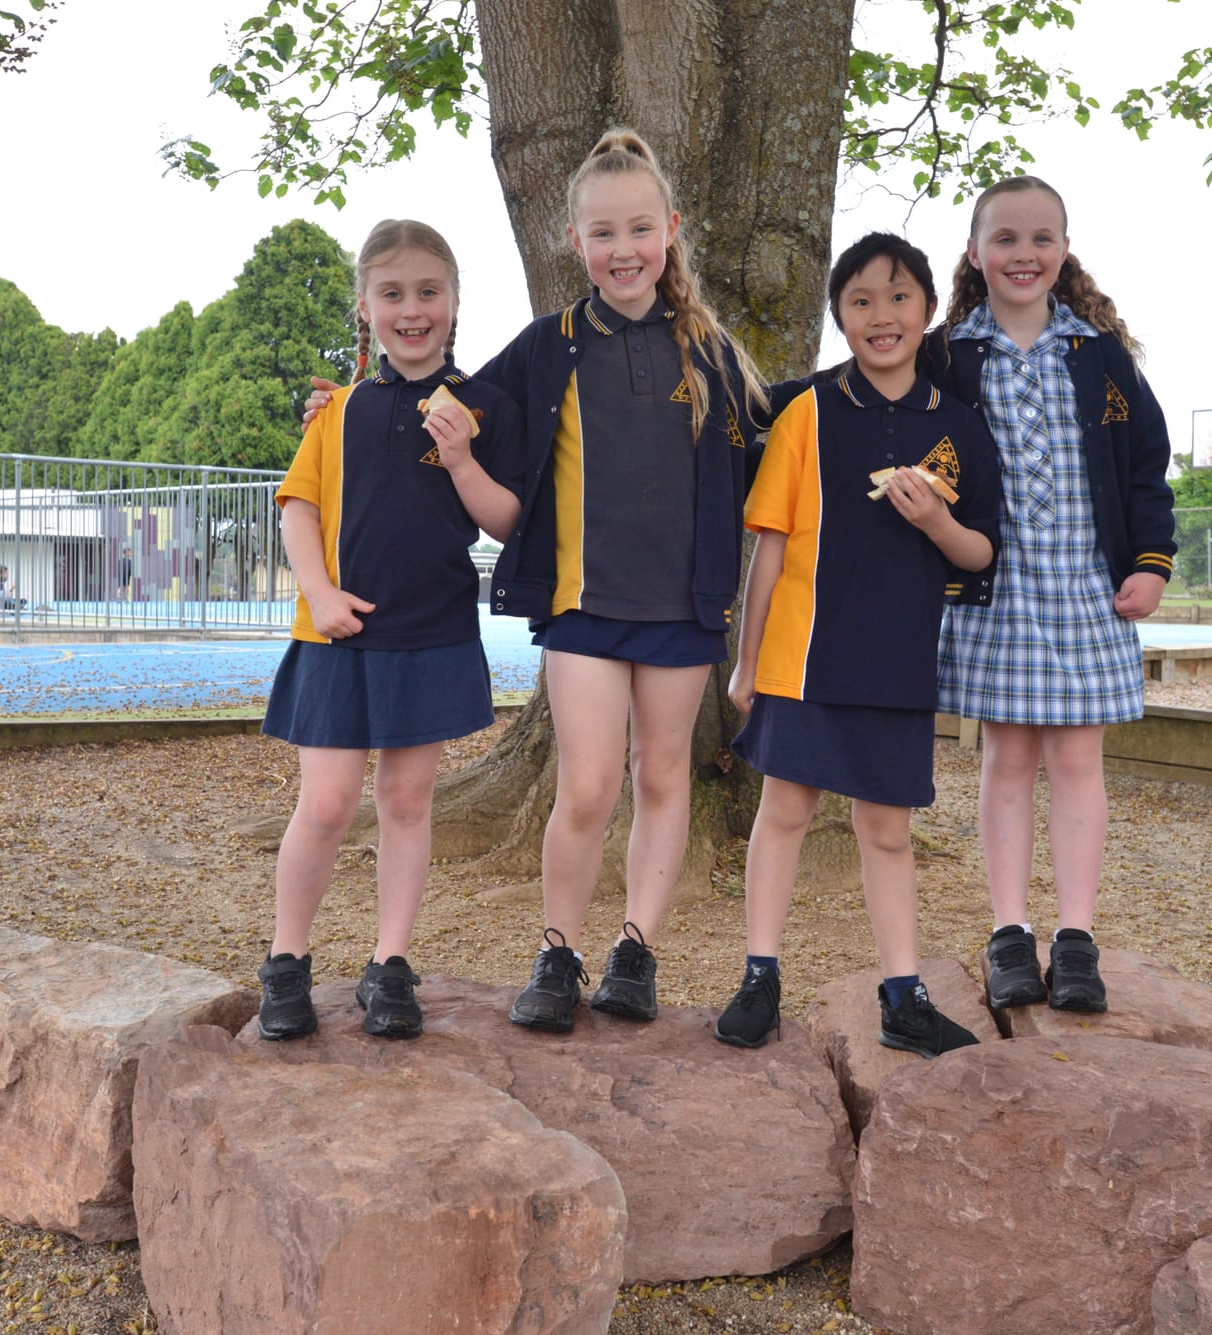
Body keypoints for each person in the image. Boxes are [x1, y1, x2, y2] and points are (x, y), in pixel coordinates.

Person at [474, 128, 768, 1034]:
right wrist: (353, 406)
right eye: (603, 233)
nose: (624, 249)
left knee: (663, 777)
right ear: (575, 242)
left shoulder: (712, 354)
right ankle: (557, 951)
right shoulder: (548, 345)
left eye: (640, 229)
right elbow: (448, 408)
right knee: (591, 784)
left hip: (682, 611)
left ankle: (635, 949)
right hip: (583, 609)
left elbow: (789, 434)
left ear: (670, 230)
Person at [712, 233, 1000, 1055]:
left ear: (929, 310)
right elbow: (768, 543)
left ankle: (902, 996)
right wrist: (745, 659)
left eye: (899, 297)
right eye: (862, 301)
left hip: (898, 665)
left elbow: (981, 551)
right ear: (840, 317)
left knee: (887, 831)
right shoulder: (808, 412)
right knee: (785, 811)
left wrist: (935, 520)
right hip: (803, 659)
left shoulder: (960, 430)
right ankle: (760, 978)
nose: (883, 315)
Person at [257, 219, 525, 1043]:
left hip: (431, 633)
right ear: (365, 307)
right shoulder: (336, 411)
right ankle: (286, 962)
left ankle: (390, 964)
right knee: (330, 802)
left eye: (428, 292)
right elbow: (297, 508)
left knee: (407, 800)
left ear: (453, 302)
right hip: (335, 635)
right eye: (393, 293)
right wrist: (320, 592)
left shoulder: (483, 406)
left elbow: (509, 522)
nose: (413, 310)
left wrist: (463, 462)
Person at [926, 176, 1176, 1016]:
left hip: (1084, 593)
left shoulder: (1099, 355)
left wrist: (1150, 561)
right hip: (993, 592)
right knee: (1006, 759)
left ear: (1064, 251)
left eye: (1041, 239)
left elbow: (1145, 464)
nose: (1023, 254)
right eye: (1004, 239)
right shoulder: (948, 356)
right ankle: (1008, 934)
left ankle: (1074, 938)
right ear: (974, 253)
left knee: (1077, 762)